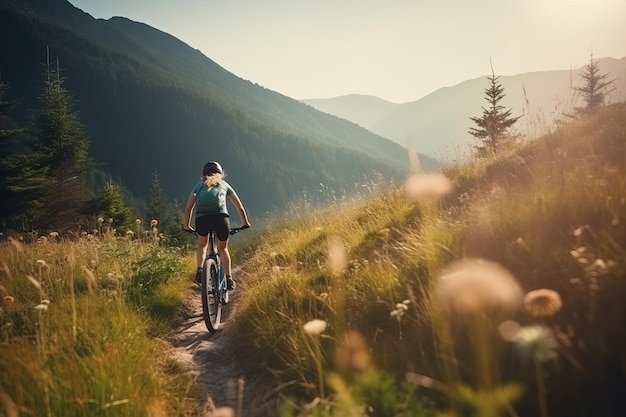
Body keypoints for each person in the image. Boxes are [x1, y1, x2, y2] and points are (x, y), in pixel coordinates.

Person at [183, 161, 250, 289]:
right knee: (223, 248)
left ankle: (200, 269)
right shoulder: (224, 185)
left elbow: (188, 210)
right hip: (221, 220)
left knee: (202, 245)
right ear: (220, 173)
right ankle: (229, 279)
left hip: (202, 220)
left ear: (204, 174)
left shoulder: (198, 186)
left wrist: (187, 226)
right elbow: (240, 207)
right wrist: (245, 223)